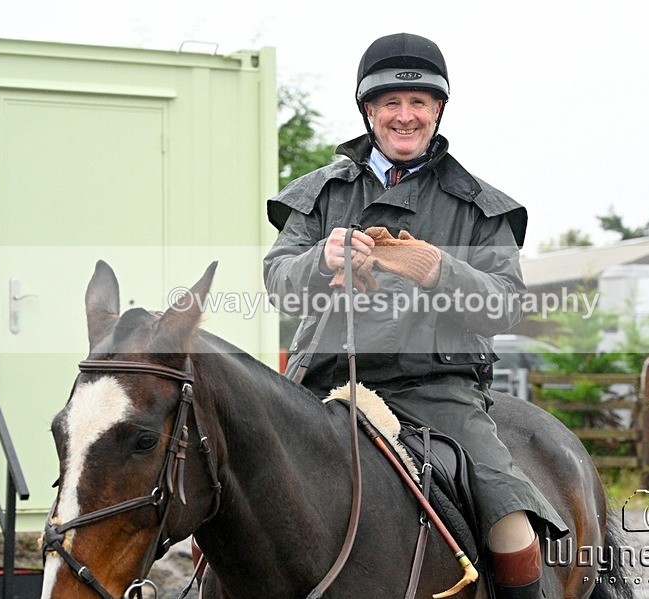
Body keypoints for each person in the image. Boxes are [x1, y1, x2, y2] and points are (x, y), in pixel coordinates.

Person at [263, 32, 567, 599]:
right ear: (369, 111)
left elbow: (508, 303)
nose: (405, 116)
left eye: (418, 103)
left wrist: (438, 270)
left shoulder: (481, 206)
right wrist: (318, 261)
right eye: (390, 104)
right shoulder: (317, 192)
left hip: (437, 390)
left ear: (438, 110)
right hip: (322, 383)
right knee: (230, 480)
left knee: (508, 517)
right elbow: (278, 284)